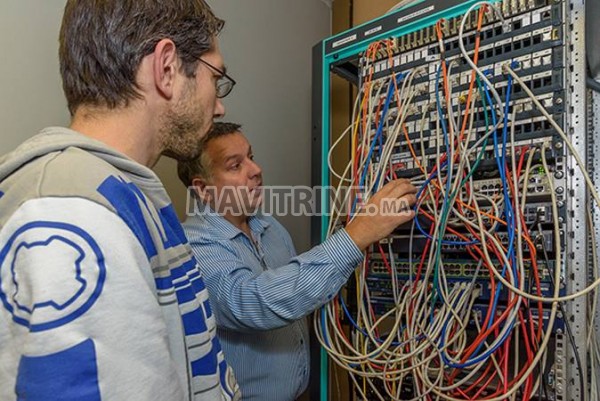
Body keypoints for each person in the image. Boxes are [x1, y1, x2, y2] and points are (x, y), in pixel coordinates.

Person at [0, 1, 241, 400]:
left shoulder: (125, 193)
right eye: (217, 77)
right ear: (167, 68)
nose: (220, 104)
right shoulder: (76, 217)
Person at [177, 122, 417, 401]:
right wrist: (356, 235)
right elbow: (254, 302)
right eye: (235, 166)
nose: (256, 170)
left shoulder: (269, 227)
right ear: (203, 189)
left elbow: (294, 296)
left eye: (251, 157)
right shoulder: (193, 246)